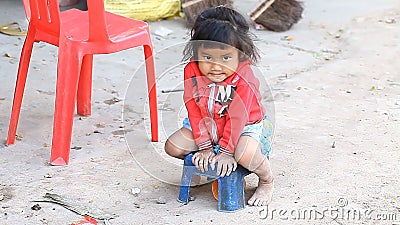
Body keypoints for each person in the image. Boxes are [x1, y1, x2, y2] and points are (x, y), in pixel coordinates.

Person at [165, 5, 274, 206]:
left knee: (245, 154)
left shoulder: (243, 78)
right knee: (173, 147)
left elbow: (237, 119)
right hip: (208, 122)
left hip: (243, 127)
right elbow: (193, 108)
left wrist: (226, 152)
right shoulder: (192, 70)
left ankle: (267, 180)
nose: (216, 66)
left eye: (225, 58)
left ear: (240, 54)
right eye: (207, 57)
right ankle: (203, 165)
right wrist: (205, 147)